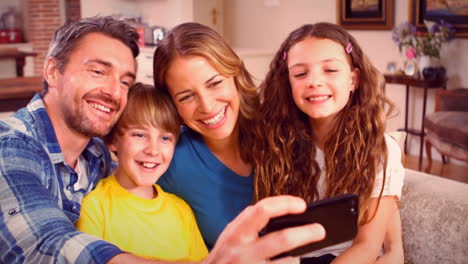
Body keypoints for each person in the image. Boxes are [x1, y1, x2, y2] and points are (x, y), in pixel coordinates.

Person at [0, 16, 325, 264]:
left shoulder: (95, 153)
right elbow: (46, 244)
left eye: (125, 81)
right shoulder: (11, 148)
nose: (114, 92)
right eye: (98, 71)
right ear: (53, 71)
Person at [252, 22, 405, 263]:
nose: (314, 81)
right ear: (287, 83)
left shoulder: (379, 149)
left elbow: (367, 245)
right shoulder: (274, 142)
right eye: (300, 74)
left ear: (353, 80)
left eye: (330, 70)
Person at [153, 22, 260, 249]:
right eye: (186, 97)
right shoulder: (170, 159)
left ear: (235, 73)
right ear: (172, 105)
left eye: (215, 84)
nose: (207, 106)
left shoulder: (279, 133)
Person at [76, 83, 208, 261]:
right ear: (112, 140)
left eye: (165, 138)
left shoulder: (181, 211)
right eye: (139, 135)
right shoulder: (95, 207)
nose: (153, 150)